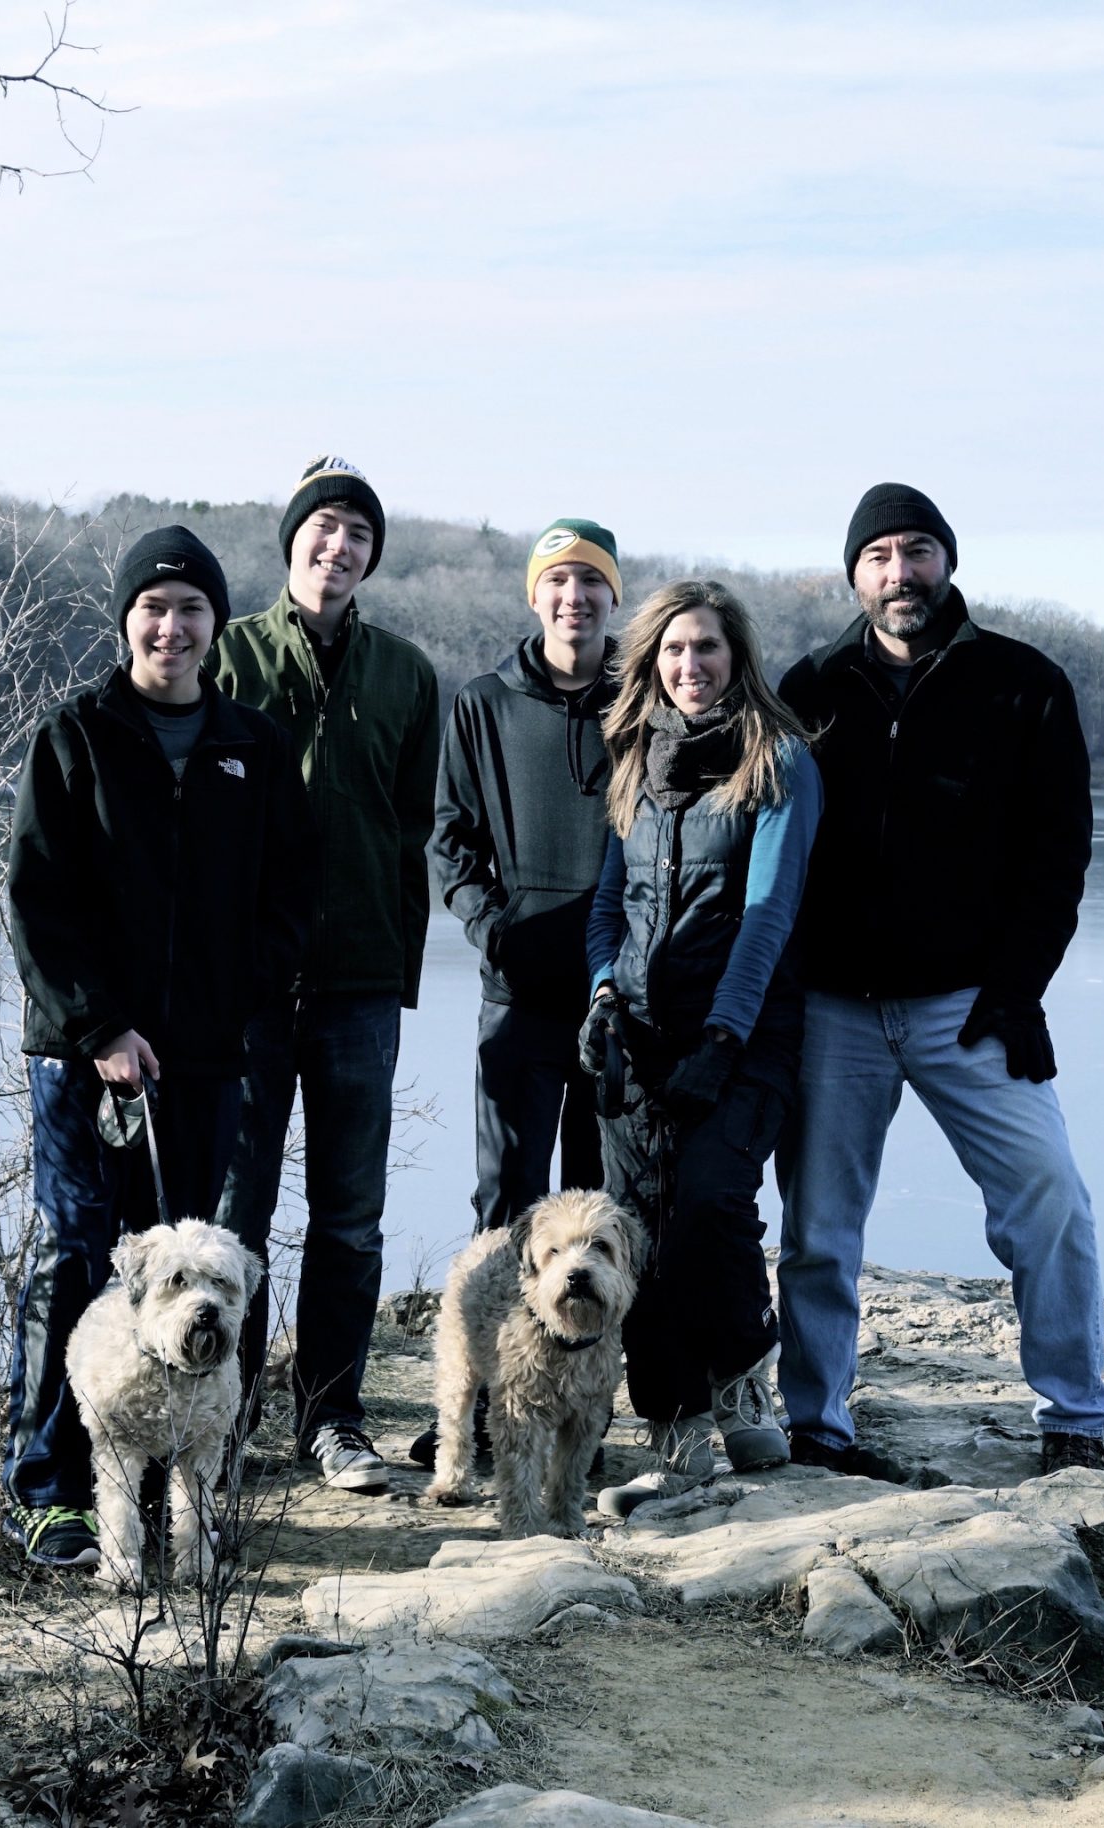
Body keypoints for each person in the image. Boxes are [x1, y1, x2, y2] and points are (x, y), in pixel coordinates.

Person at [775, 484, 1104, 1478]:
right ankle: (817, 1428)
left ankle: (1074, 1421)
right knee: (818, 1231)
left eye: (915, 550)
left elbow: (1059, 858)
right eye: (877, 555)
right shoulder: (811, 686)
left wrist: (1016, 988)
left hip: (973, 1007)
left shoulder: (1023, 683)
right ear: (854, 574)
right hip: (835, 1010)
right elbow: (768, 846)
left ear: (946, 561)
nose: (898, 572)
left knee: (1049, 1198)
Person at [0, 526, 311, 1567]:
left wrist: (235, 1007)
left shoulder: (253, 747)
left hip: (208, 1059)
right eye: (153, 606)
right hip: (86, 1059)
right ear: (126, 619)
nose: (170, 626)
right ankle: (51, 1491)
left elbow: (288, 902)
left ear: (216, 625)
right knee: (82, 1263)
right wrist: (101, 1027)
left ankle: (190, 1491)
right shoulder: (76, 734)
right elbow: (37, 901)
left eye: (190, 608)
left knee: (192, 1276)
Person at [212, 457, 441, 1493]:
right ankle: (225, 1414)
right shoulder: (229, 657)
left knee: (350, 1218)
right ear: (293, 541)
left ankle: (333, 1417)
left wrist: (400, 965)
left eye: (356, 533)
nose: (337, 546)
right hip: (247, 987)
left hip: (358, 983)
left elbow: (410, 832)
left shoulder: (404, 673)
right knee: (235, 1214)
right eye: (323, 528)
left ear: (369, 555)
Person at [579, 579, 823, 1513]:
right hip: (636, 1034)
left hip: (745, 1034)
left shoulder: (780, 761)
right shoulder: (633, 762)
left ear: (737, 656)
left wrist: (725, 1036)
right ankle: (674, 1414)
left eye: (708, 648)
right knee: (636, 1224)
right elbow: (611, 905)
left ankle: (740, 1376)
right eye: (674, 650)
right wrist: (603, 996)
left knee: (714, 1205)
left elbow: (767, 916)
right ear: (651, 661)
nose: (691, 666)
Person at [418, 518, 623, 1472]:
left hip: (621, 994)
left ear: (611, 598)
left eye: (591, 583)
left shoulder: (643, 699)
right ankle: (483, 1405)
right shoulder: (484, 702)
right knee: (506, 1203)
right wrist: (494, 926)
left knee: (600, 1199)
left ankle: (591, 1405)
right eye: (558, 583)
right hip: (519, 992)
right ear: (534, 596)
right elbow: (449, 836)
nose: (573, 598)